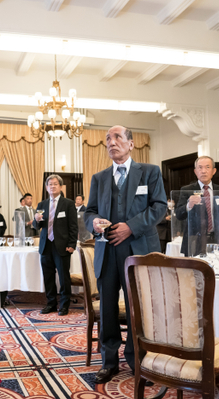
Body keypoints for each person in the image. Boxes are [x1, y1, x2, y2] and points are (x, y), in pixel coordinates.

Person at [84, 126, 167, 384]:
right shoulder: (99, 178)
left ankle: (137, 360)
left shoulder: (150, 172)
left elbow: (160, 207)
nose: (111, 142)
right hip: (107, 252)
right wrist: (94, 222)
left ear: (131, 144)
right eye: (108, 139)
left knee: (137, 308)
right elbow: (88, 212)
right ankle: (109, 362)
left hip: (139, 251)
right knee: (108, 309)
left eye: (118, 137)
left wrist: (131, 226)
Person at [33, 175, 78, 316]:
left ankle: (64, 305)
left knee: (64, 277)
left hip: (63, 246)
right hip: (46, 245)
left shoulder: (68, 204)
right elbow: (37, 226)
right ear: (46, 188)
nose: (52, 186)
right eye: (50, 184)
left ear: (60, 187)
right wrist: (36, 220)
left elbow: (73, 226)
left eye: (55, 184)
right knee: (48, 277)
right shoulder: (42, 204)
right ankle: (51, 304)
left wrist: (72, 244)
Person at [174, 156, 219, 256]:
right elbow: (178, 214)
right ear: (195, 171)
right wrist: (188, 205)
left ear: (214, 171)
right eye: (200, 168)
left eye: (207, 167)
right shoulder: (187, 190)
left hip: (218, 238)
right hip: (195, 240)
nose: (203, 171)